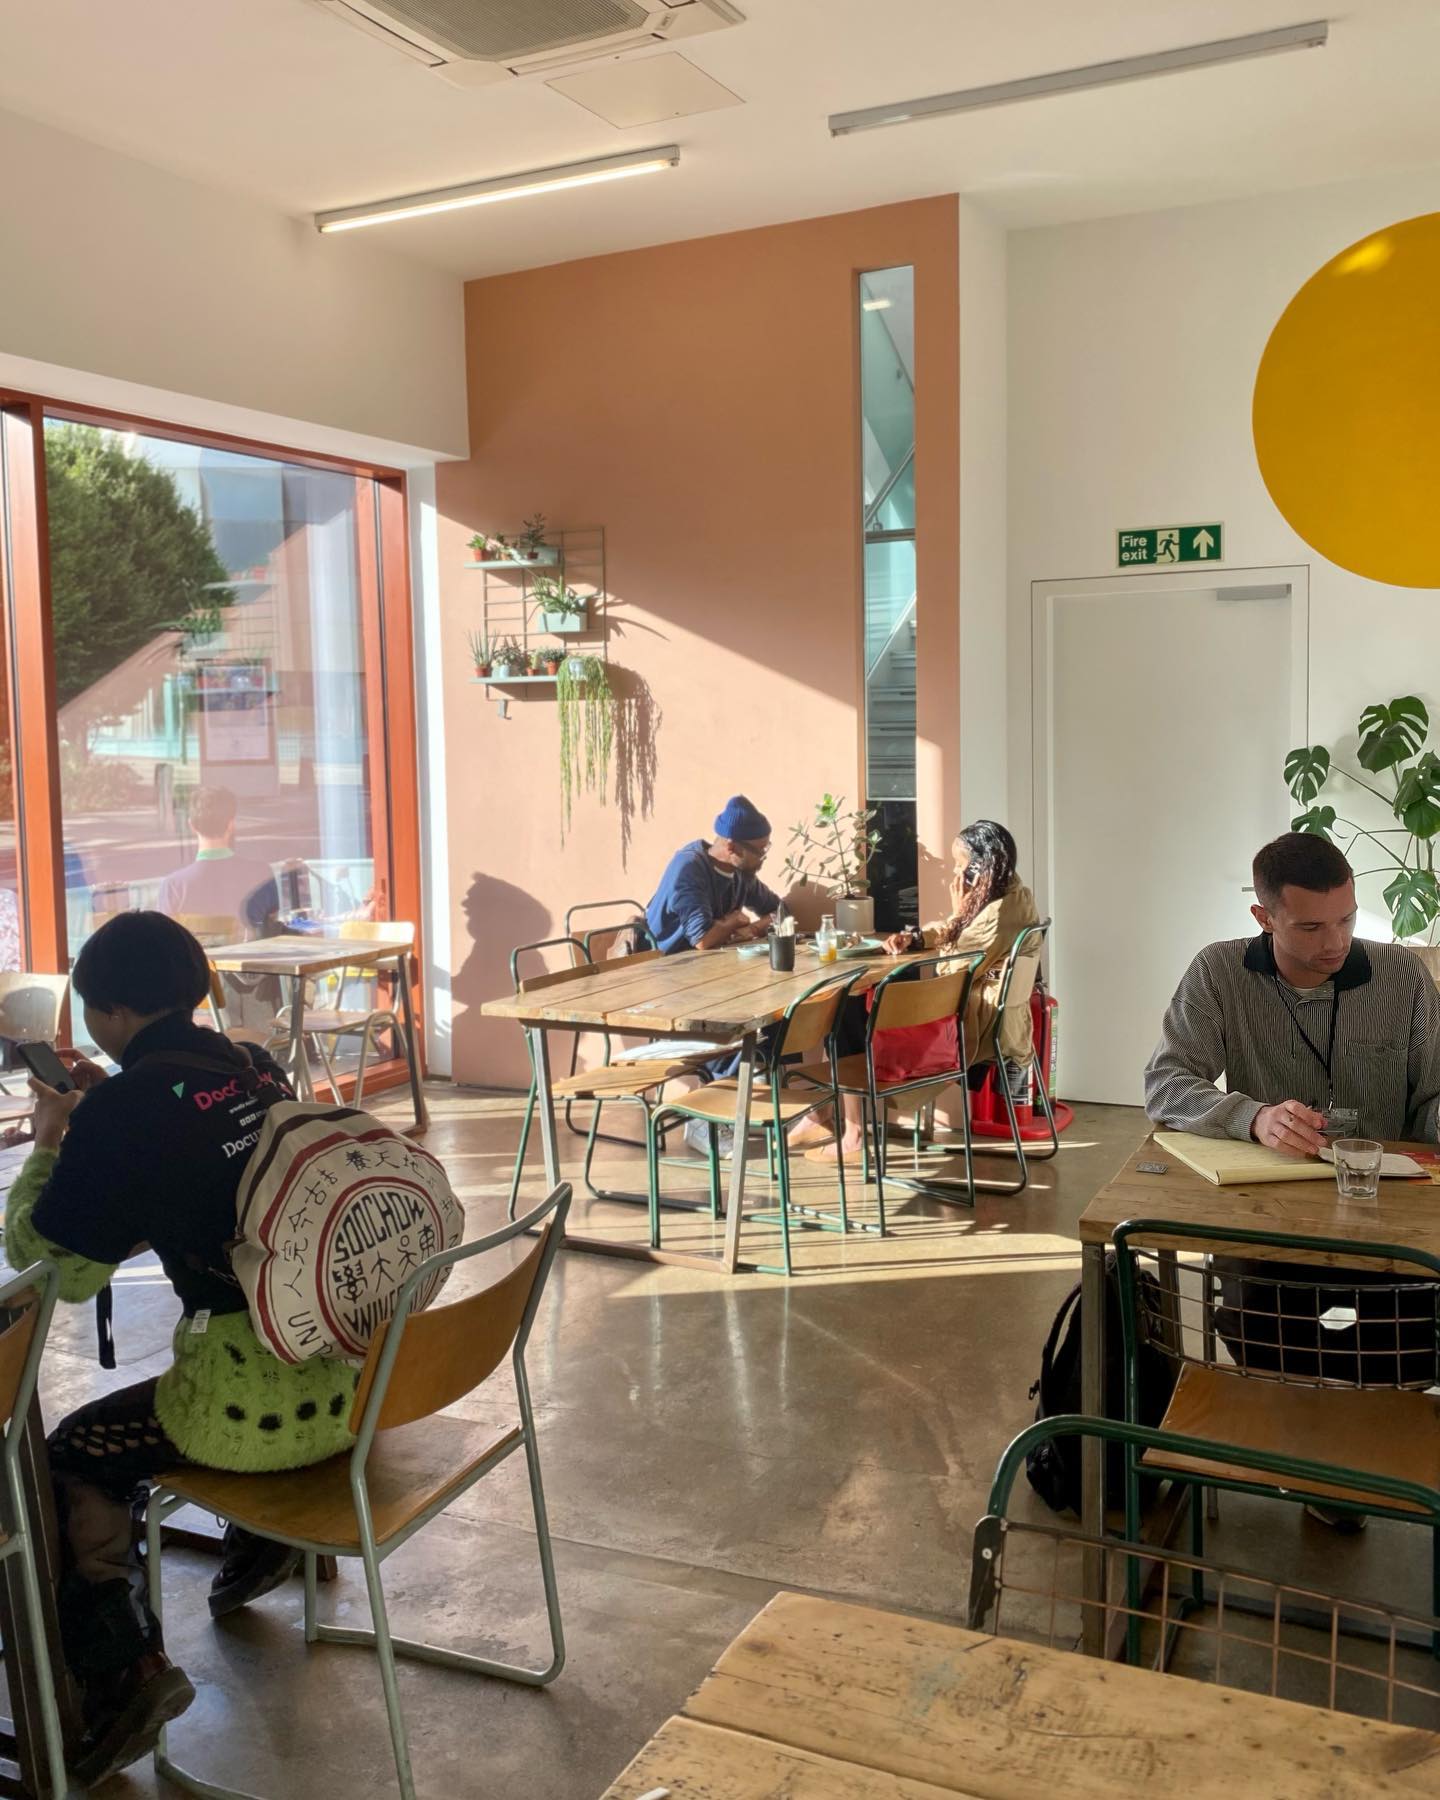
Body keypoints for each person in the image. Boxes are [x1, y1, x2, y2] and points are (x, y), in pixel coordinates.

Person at [5, 912, 359, 1786]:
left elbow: (57, 1268)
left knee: (69, 1459)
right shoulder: (251, 1064)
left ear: (111, 1011)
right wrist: (106, 1118)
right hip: (350, 1380)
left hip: (258, 1407)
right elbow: (197, 1151)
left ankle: (125, 1673)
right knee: (198, 1385)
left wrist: (54, 1139)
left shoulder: (123, 1111)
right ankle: (263, 1543)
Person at [1145, 832, 1440, 1524]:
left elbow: (1431, 1099)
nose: (1335, 941)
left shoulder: (1402, 980)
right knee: (1255, 1320)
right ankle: (1319, 1456)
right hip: (1269, 1213)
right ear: (1263, 917)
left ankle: (1348, 1451)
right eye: (1310, 925)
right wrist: (1249, 1118)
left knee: (1413, 1330)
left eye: (1347, 918)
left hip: (1388, 1212)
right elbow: (1165, 1082)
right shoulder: (1219, 973)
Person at [794, 820, 1040, 1159]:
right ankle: (821, 1116)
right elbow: (964, 932)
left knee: (846, 1012)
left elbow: (953, 967)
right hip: (985, 1018)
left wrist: (955, 915)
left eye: (959, 863)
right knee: (854, 1010)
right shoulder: (1012, 892)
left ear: (981, 866)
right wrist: (917, 937)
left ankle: (849, 1133)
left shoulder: (998, 915)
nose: (955, 871)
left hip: (965, 1029)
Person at [645, 797, 781, 955]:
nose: (763, 857)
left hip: (707, 963)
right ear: (731, 847)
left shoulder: (741, 872)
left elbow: (781, 912)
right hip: (663, 964)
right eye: (760, 851)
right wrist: (734, 921)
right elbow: (703, 940)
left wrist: (753, 928)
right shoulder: (690, 868)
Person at [159, 786, 279, 939]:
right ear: (231, 825)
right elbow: (271, 932)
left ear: (192, 826)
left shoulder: (173, 886)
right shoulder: (262, 874)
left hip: (198, 963)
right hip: (248, 962)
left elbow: (167, 942)